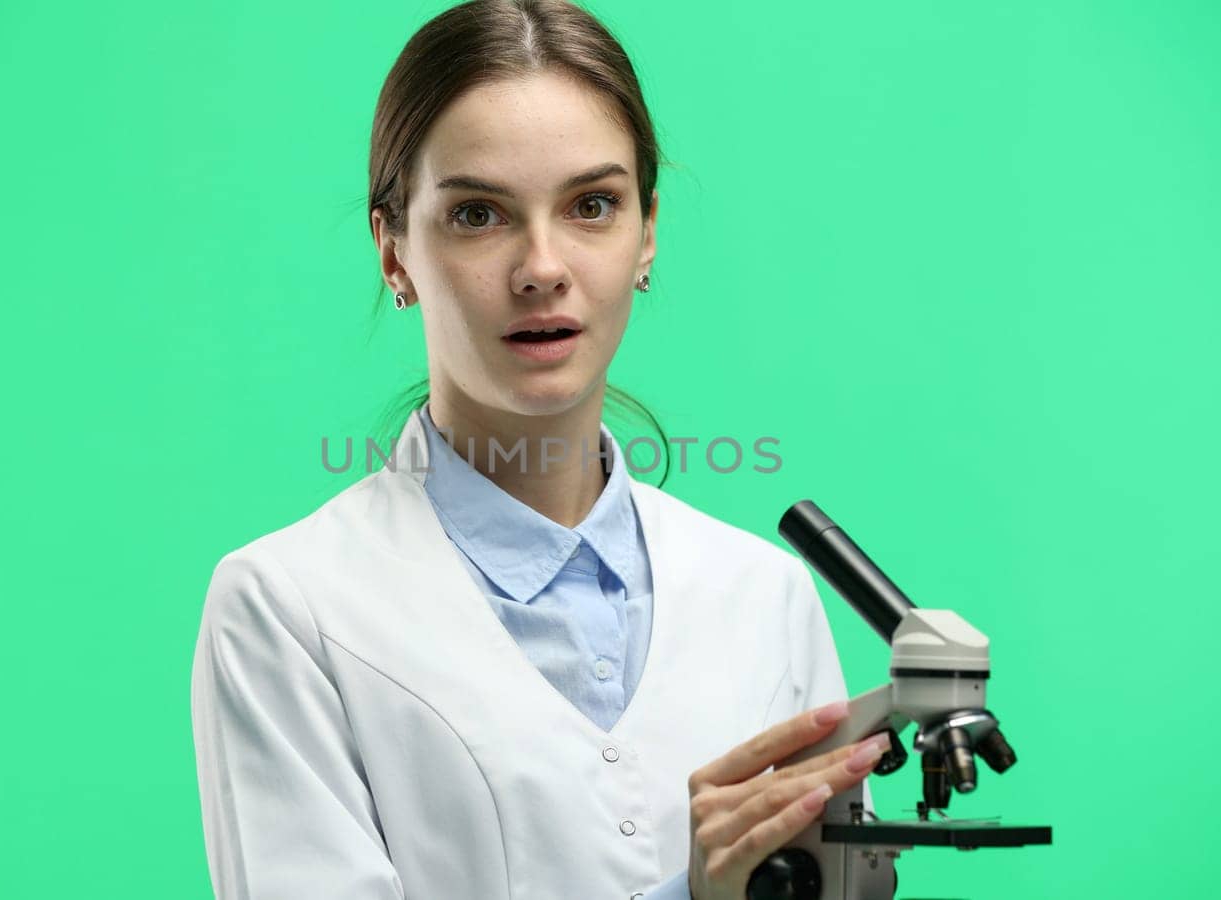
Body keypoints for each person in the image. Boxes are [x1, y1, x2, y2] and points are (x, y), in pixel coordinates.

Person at [190, 2, 885, 897]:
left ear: (648, 233)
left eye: (592, 205)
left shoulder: (766, 599)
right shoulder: (285, 611)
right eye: (479, 215)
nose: (543, 266)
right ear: (393, 251)